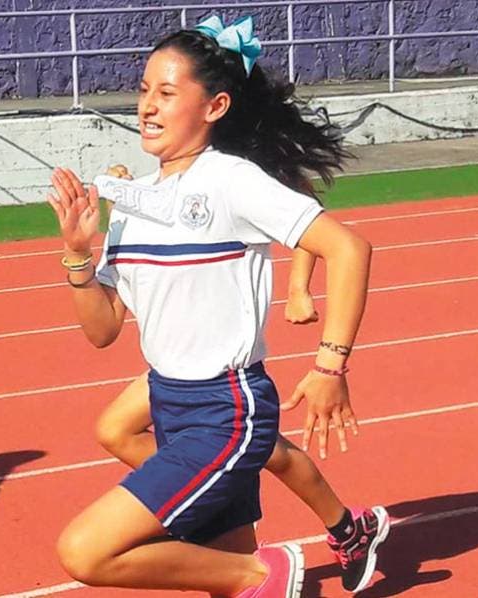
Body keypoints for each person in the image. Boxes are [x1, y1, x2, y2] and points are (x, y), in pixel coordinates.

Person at [47, 15, 374, 597]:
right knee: (223, 580)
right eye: (144, 89)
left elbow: (348, 248)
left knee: (84, 550)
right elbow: (102, 330)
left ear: (215, 106)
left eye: (167, 93)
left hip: (226, 410)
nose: (147, 106)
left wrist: (330, 366)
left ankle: (269, 571)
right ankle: (262, 574)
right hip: (168, 405)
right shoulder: (133, 202)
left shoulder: (232, 181)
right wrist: (78, 255)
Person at [96, 166, 390, 595]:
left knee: (256, 448)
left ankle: (340, 528)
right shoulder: (178, 165)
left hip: (221, 354)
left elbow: (304, 204)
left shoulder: (238, 163)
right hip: (178, 355)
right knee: (119, 430)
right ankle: (341, 527)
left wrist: (299, 286)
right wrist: (125, 200)